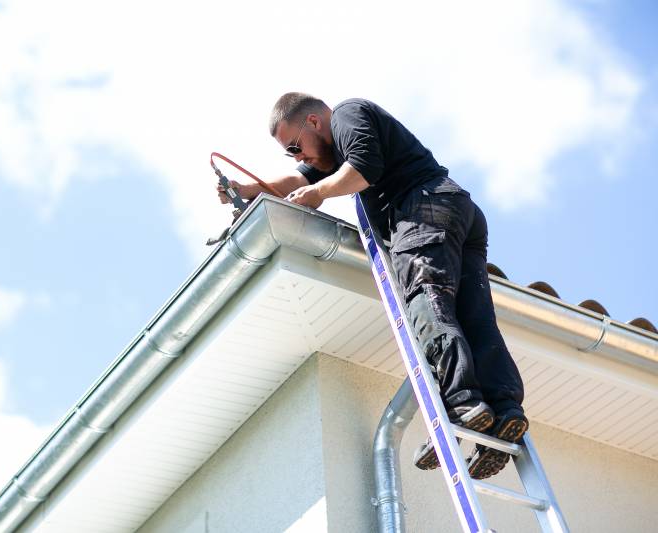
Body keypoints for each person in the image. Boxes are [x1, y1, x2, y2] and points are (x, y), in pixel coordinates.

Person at [216, 92, 527, 479]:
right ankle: (503, 411)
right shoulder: (333, 152)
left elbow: (363, 168)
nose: (298, 157)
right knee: (473, 316)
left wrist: (320, 193)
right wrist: (246, 189)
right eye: (290, 153)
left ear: (314, 122)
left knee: (428, 304)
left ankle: (462, 403)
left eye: (295, 146)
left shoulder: (348, 115)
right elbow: (298, 180)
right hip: (455, 211)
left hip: (422, 208)